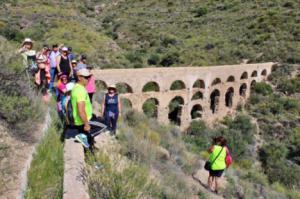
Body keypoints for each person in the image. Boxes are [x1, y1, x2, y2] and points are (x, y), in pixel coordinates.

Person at [71, 68, 93, 149]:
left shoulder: (77, 87)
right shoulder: (80, 90)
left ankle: (87, 147)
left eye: (89, 77)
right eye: (86, 77)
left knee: (88, 142)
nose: (88, 79)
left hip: (82, 120)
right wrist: (86, 124)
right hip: (82, 121)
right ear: (79, 77)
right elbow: (81, 110)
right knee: (103, 126)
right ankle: (82, 138)